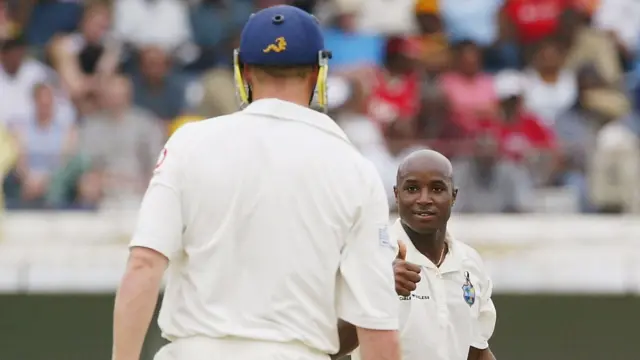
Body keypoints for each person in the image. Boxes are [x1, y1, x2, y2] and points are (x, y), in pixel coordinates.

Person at [112, 5, 401, 360]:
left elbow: (143, 264)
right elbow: (377, 326)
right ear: (318, 73)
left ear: (243, 71)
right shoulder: (355, 169)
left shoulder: (189, 143)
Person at [334, 149, 497, 360]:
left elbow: (476, 352)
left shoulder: (470, 262)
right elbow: (332, 348)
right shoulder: (370, 255)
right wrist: (378, 290)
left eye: (437, 189)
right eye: (412, 188)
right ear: (396, 194)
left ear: (453, 196)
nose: (424, 199)